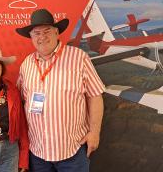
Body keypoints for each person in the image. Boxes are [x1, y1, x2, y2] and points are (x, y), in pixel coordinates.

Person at [16, 9, 105, 172]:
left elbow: (95, 96)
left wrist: (95, 132)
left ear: (57, 32)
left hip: (73, 151)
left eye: (47, 31)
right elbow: (21, 101)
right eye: (36, 33)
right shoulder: (26, 64)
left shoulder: (79, 58)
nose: (42, 37)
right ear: (31, 37)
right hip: (38, 153)